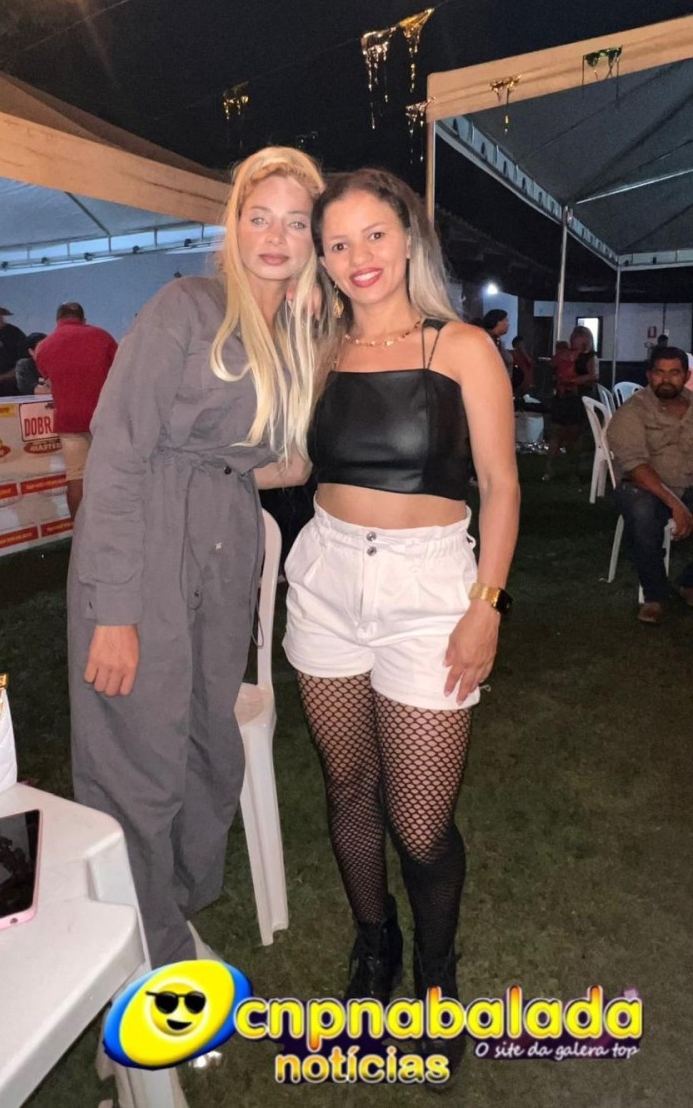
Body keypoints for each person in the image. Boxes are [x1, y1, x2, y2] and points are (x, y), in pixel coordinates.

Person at [283, 169, 519, 1080]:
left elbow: (500, 485)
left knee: (420, 824)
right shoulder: (321, 350)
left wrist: (486, 606)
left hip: (430, 592)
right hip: (327, 580)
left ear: (409, 237)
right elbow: (293, 466)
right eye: (338, 243)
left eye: (374, 235)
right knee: (348, 788)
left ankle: (436, 971)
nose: (359, 257)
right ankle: (374, 941)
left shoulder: (461, 346)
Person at [68, 147, 327, 968]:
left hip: (226, 540)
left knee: (208, 745)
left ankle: (168, 902)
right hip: (148, 538)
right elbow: (117, 454)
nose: (275, 237)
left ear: (314, 238)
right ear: (234, 225)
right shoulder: (186, 306)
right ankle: (154, 944)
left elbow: (281, 463)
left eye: (295, 222)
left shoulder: (296, 336)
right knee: (138, 752)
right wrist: (116, 608)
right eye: (260, 217)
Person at [607, 345, 693, 624]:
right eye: (659, 372)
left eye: (674, 372)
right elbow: (636, 468)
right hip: (643, 487)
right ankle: (654, 595)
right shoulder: (633, 411)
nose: (666, 379)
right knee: (643, 511)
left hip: (687, 485)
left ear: (687, 375)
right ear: (649, 375)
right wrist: (675, 505)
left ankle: (688, 582)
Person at [35, 305, 118, 520]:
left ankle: (80, 533)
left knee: (76, 477)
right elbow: (120, 373)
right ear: (83, 318)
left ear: (58, 320)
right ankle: (112, 528)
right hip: (103, 419)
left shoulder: (45, 345)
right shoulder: (103, 337)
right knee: (111, 475)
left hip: (69, 421)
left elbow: (49, 380)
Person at [543, 325, 598, 480]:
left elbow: (594, 375)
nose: (574, 340)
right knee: (557, 433)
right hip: (563, 397)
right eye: (574, 337)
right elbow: (552, 366)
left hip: (578, 398)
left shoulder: (589, 357)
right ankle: (549, 467)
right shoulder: (565, 354)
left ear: (586, 339)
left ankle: (571, 470)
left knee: (574, 436)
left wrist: (572, 380)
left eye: (578, 337)